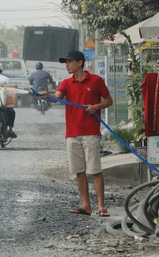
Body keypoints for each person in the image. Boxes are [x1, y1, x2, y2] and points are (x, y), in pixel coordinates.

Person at [40, 50, 113, 217]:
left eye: (69, 61)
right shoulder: (66, 83)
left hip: (91, 133)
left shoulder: (95, 80)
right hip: (72, 133)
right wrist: (47, 96)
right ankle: (86, 205)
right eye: (65, 62)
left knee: (95, 170)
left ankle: (101, 206)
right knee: (79, 171)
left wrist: (95, 107)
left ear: (79, 62)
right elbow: (57, 97)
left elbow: (109, 100)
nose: (66, 64)